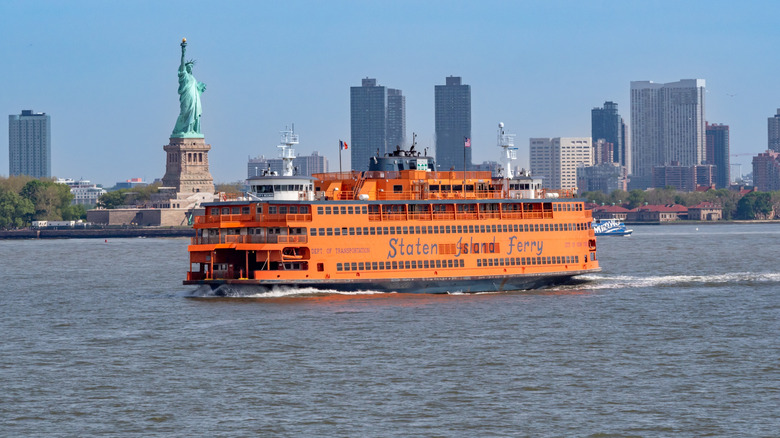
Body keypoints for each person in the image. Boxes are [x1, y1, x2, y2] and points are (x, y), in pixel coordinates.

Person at [172, 39, 206, 136]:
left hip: (194, 99)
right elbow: (182, 65)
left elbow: (196, 90)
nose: (190, 68)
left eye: (191, 66)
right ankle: (184, 130)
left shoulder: (193, 78)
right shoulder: (184, 75)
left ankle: (191, 131)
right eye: (188, 66)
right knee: (185, 113)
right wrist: (183, 52)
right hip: (186, 97)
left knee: (193, 113)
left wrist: (200, 89)